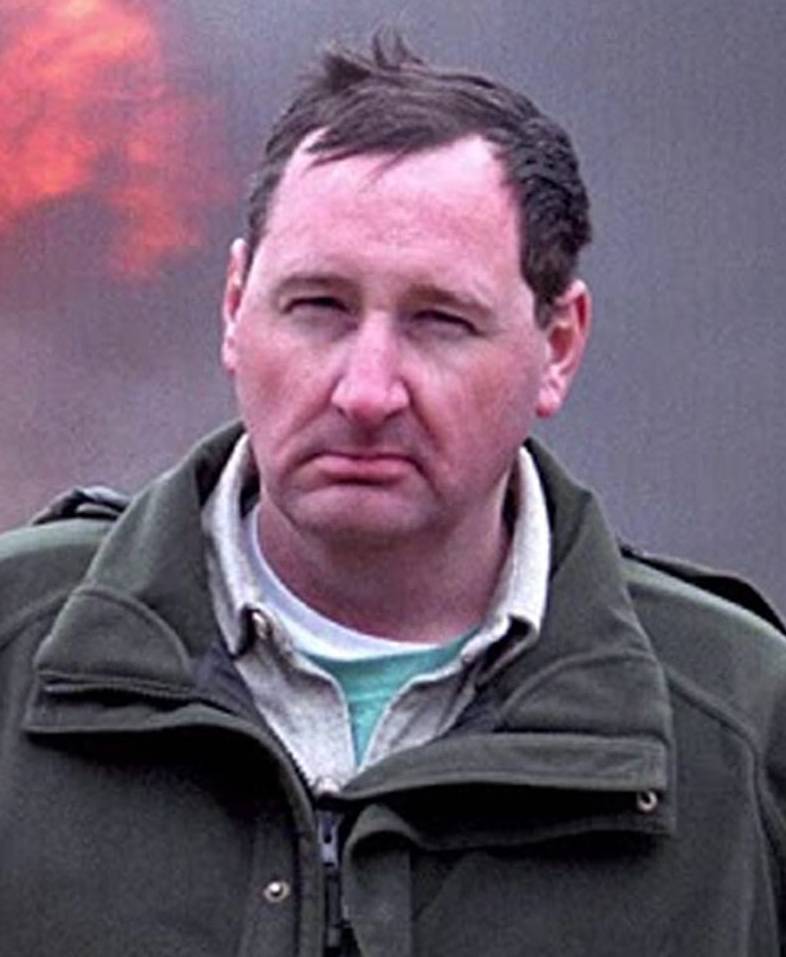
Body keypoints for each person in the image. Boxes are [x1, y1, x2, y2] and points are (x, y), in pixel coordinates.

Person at [0, 33, 784, 957]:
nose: (366, 391)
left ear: (558, 345)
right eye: (319, 306)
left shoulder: (743, 723)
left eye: (440, 320)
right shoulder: (17, 642)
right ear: (235, 306)